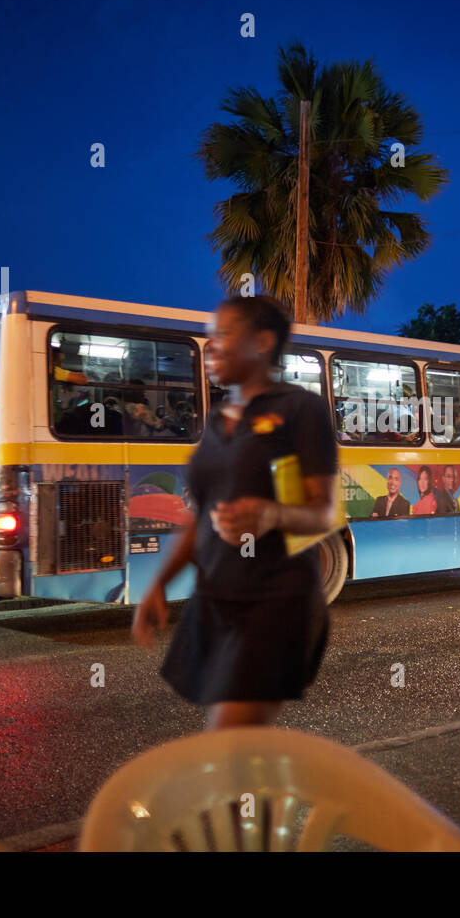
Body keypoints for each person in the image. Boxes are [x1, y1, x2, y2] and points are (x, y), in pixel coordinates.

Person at [131, 295, 339, 731]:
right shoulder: (217, 420)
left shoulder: (300, 409)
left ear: (262, 342)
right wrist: (160, 584)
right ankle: (270, 797)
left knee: (224, 746)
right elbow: (202, 516)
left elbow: (323, 514)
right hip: (216, 600)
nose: (210, 347)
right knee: (241, 756)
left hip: (274, 602)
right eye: (209, 337)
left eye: (223, 335)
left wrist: (270, 514)